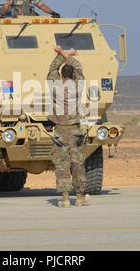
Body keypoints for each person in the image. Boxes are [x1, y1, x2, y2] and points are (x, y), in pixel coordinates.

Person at [46, 45, 89, 208]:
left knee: (62, 165)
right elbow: (79, 69)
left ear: (61, 75)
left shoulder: (55, 87)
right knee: (77, 164)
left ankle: (65, 199)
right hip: (75, 132)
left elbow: (51, 70)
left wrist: (60, 55)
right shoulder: (78, 87)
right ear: (73, 75)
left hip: (60, 133)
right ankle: (79, 197)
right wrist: (69, 55)